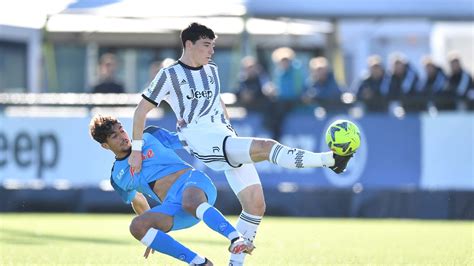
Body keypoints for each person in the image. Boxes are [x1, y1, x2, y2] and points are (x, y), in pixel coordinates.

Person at [129, 22, 354, 266]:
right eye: (206, 45)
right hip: (201, 141)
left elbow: (218, 103)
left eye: (213, 46)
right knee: (266, 147)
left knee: (256, 204)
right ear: (189, 44)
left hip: (224, 137)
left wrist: (229, 128)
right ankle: (330, 160)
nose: (211, 51)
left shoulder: (211, 70)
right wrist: (136, 151)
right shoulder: (169, 75)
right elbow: (141, 111)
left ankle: (235, 264)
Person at [89, 115, 254, 266]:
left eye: (121, 130)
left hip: (195, 184)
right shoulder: (117, 177)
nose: (123, 136)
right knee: (137, 227)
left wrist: (191, 127)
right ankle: (199, 263)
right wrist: (150, 233)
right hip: (175, 207)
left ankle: (236, 238)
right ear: (105, 145)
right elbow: (137, 200)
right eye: (114, 136)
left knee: (190, 200)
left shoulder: (149, 135)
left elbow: (185, 140)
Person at [267, 47, 305, 141]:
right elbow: (277, 87)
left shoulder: (296, 71)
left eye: (286, 60)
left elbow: (296, 90)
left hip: (294, 101)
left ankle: (275, 136)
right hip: (283, 101)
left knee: (278, 110)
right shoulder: (279, 72)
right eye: (282, 61)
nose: (284, 63)